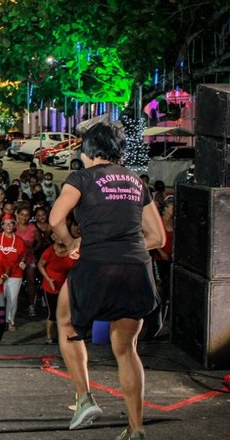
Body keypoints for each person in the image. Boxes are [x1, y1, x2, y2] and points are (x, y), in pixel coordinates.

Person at [49, 122, 165, 438]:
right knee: (126, 348)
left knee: (66, 324)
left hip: (97, 266)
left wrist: (71, 242)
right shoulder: (135, 181)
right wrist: (124, 242)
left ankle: (85, 398)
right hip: (135, 269)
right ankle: (136, 428)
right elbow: (157, 237)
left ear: (87, 151)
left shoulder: (81, 178)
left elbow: (56, 219)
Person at [37, 235, 77, 344]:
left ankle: (67, 335)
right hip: (51, 286)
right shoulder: (49, 252)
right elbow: (40, 265)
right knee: (53, 313)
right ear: (53, 237)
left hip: (66, 286)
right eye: (58, 236)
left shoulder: (72, 251)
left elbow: (77, 266)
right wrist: (48, 279)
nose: (61, 238)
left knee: (68, 312)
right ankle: (49, 338)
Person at [0, 214, 26, 332]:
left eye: (10, 223)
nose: (8, 225)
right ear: (1, 226)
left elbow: (23, 256)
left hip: (15, 274)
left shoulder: (19, 240)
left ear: (14, 225)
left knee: (12, 299)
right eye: (5, 223)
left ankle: (10, 321)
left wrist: (22, 262)